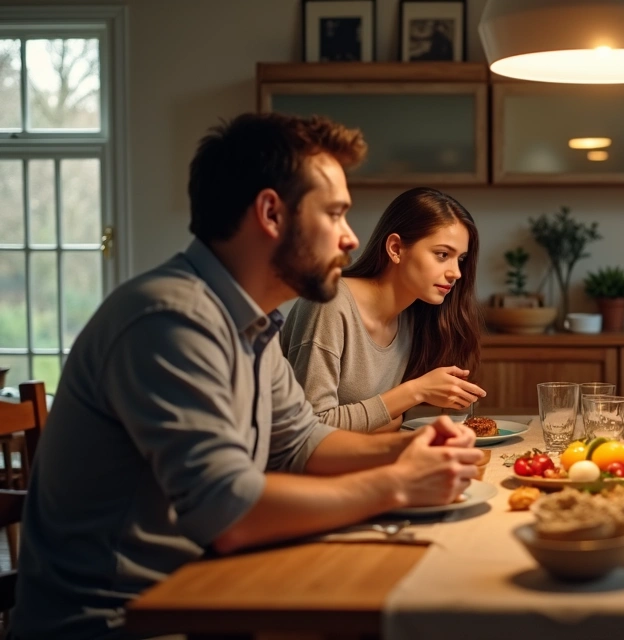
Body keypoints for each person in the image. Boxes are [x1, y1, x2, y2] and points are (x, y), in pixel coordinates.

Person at [9, 113, 483, 640]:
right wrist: (396, 484)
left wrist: (409, 449)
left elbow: (301, 441)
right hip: (123, 623)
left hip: (210, 595)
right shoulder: (170, 319)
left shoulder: (251, 321)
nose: (350, 239)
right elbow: (229, 514)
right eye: (334, 213)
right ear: (271, 214)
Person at [281, 187, 486, 433]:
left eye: (460, 259)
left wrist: (389, 416)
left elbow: (388, 421)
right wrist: (416, 390)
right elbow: (310, 428)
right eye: (442, 254)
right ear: (396, 249)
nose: (456, 273)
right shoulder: (328, 304)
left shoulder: (413, 315)